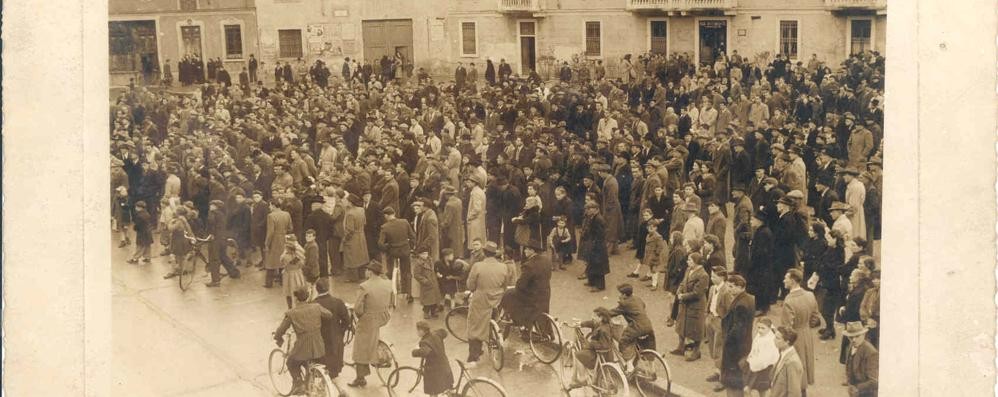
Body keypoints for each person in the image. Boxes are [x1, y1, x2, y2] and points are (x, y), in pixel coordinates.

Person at [273, 288, 333, 395]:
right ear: (307, 296)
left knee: (291, 362)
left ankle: (298, 383)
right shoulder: (316, 307)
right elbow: (329, 315)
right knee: (310, 362)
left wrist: (278, 337)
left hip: (302, 347)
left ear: (296, 299)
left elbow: (281, 330)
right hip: (318, 345)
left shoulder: (292, 313)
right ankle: (311, 383)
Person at [465, 241, 511, 366]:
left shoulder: (478, 266)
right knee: (494, 320)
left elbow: (470, 285)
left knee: (474, 326)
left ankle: (474, 355)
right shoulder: (503, 267)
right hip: (497, 299)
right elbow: (505, 285)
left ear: (484, 253)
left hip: (481, 300)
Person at [350, 260, 392, 387]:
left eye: (367, 269)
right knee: (372, 338)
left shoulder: (364, 286)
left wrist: (359, 316)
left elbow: (358, 308)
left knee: (360, 346)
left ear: (370, 272)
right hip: (383, 316)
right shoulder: (387, 283)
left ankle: (360, 378)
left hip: (369, 319)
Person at [781, 269, 820, 394]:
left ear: (792, 281)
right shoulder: (810, 295)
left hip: (795, 338)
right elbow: (815, 317)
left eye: (786, 278)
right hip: (806, 334)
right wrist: (806, 326)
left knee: (794, 368)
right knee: (805, 363)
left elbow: (787, 327)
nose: (783, 280)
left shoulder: (789, 300)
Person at [502, 240, 552, 330]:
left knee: (508, 294)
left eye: (526, 249)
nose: (524, 251)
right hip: (545, 293)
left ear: (532, 251)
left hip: (532, 296)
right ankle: (546, 331)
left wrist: (516, 285)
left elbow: (521, 285)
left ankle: (519, 320)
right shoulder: (547, 260)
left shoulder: (529, 265)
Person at [720, 275, 756, 397]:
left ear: (740, 287)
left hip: (735, 348)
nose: (728, 289)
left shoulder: (740, 304)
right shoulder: (750, 298)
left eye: (731, 287)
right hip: (744, 344)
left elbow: (737, 330)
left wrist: (727, 339)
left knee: (733, 379)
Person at [565, 307, 616, 391]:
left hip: (600, 355)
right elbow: (592, 323)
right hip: (609, 355)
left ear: (601, 318)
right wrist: (581, 324)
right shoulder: (605, 324)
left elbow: (603, 345)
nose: (593, 317)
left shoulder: (602, 330)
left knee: (578, 355)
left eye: (595, 316)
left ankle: (582, 378)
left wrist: (590, 343)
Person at [672, 252, 709, 361]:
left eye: (690, 260)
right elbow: (684, 282)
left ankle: (696, 351)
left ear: (696, 262)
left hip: (695, 305)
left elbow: (697, 293)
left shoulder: (703, 275)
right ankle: (681, 346)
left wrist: (683, 296)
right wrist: (679, 290)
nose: (687, 262)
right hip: (685, 303)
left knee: (696, 329)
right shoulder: (689, 270)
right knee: (681, 325)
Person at [313, 278, 350, 379]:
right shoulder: (338, 302)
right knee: (334, 370)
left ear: (317, 289)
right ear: (328, 288)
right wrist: (340, 332)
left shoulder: (313, 304)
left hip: (320, 339)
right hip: (335, 338)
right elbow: (347, 320)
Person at [609, 283, 655, 360]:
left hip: (637, 327)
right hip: (648, 325)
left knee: (623, 341)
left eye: (620, 294)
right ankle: (652, 369)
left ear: (624, 295)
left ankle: (629, 365)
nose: (619, 296)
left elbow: (612, 313)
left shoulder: (624, 304)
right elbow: (643, 305)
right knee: (648, 345)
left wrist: (601, 313)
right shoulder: (637, 298)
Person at [378, 206, 414, 299]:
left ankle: (391, 291)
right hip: (405, 250)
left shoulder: (385, 227)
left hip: (393, 252)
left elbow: (380, 244)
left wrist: (388, 247)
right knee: (406, 272)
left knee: (390, 271)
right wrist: (410, 246)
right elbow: (413, 236)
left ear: (386, 216)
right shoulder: (404, 222)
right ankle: (408, 293)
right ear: (394, 214)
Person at [411, 321, 455, 396]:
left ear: (422, 331)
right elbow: (444, 332)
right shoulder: (436, 334)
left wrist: (414, 351)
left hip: (435, 371)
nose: (417, 332)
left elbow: (425, 352)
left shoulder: (424, 341)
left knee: (433, 390)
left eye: (418, 330)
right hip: (445, 366)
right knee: (447, 387)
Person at [742, 318, 779, 397]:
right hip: (755, 363)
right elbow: (754, 349)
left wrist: (755, 363)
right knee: (750, 387)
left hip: (764, 368)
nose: (760, 330)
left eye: (763, 328)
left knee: (762, 388)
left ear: (769, 328)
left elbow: (768, 357)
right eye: (758, 327)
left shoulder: (770, 340)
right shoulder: (759, 336)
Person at [578, 202, 610, 292]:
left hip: (598, 246)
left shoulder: (599, 219)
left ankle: (600, 286)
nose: (587, 211)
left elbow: (601, 234)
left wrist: (594, 243)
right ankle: (591, 281)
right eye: (587, 209)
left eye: (589, 209)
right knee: (592, 264)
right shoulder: (593, 217)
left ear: (595, 209)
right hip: (593, 244)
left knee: (598, 266)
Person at [843, 321, 879, 397]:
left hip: (867, 393)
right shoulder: (850, 347)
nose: (854, 340)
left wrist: (857, 388)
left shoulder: (871, 353)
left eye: (857, 336)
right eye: (851, 337)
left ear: (863, 335)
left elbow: (874, 381)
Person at [264, 200, 292, 288]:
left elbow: (270, 232)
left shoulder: (271, 216)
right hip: (284, 239)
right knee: (282, 260)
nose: (269, 207)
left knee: (271, 262)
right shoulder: (287, 214)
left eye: (270, 205)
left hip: (275, 240)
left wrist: (267, 243)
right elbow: (290, 228)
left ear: (273, 205)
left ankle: (269, 283)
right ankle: (282, 281)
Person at [770, 326, 804, 397]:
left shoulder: (792, 363)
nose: (774, 340)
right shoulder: (783, 352)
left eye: (777, 338)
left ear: (787, 342)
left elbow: (794, 393)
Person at [413, 249, 444, 319]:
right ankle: (426, 312)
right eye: (423, 254)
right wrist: (425, 281)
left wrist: (437, 274)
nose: (425, 255)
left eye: (426, 253)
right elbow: (416, 275)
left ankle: (433, 311)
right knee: (427, 300)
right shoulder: (418, 264)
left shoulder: (430, 260)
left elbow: (433, 270)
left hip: (433, 282)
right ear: (419, 255)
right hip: (426, 284)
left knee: (435, 299)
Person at [282, 235, 310, 308]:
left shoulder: (285, 256)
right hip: (298, 274)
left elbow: (282, 262)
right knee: (298, 290)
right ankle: (300, 305)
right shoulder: (299, 252)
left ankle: (290, 307)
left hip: (289, 275)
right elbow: (302, 262)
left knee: (288, 292)